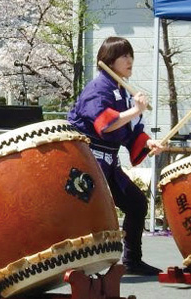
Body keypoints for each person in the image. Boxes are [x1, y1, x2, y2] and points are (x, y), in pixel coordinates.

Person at [68, 36, 166, 276]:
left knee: (136, 203)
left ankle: (132, 260)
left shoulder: (121, 90)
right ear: (109, 60)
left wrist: (148, 142)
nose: (130, 60)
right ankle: (75, 265)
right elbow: (105, 124)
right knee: (87, 213)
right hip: (87, 162)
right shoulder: (98, 88)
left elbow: (128, 131)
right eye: (124, 56)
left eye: (131, 55)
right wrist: (135, 110)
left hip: (109, 162)